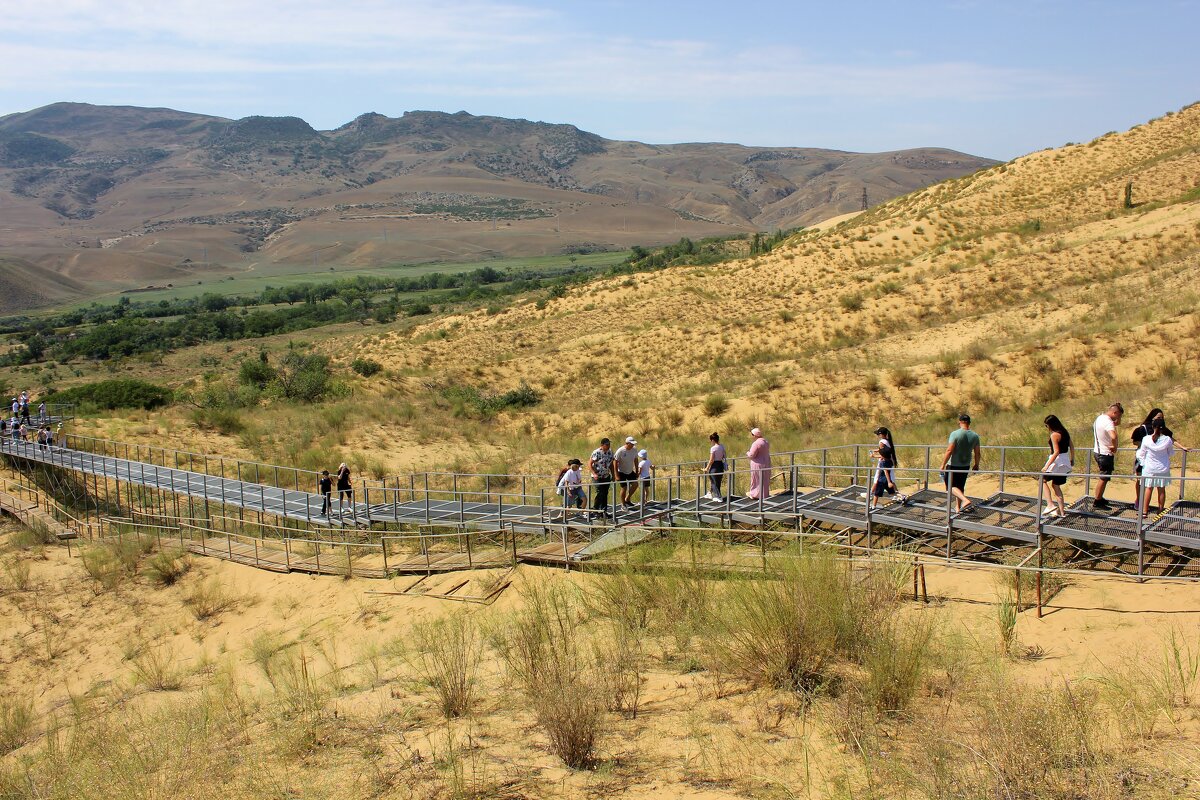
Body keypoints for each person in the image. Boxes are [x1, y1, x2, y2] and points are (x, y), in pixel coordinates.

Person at [939, 414, 981, 513]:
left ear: (959, 422)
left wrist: (942, 464)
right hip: (965, 465)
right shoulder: (975, 436)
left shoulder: (955, 434)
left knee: (950, 487)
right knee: (960, 486)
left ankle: (965, 500)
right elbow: (977, 452)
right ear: (969, 423)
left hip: (953, 465)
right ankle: (958, 507)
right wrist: (976, 464)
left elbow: (949, 450)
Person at [1136, 417, 1175, 515]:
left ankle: (1144, 511)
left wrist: (1142, 462)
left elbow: (1141, 453)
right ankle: (1160, 510)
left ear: (1153, 427)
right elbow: (1171, 453)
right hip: (1162, 468)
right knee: (1161, 488)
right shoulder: (1167, 440)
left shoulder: (1146, 439)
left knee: (1148, 488)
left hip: (1149, 468)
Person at [1091, 402, 1123, 511]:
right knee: (1104, 477)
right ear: (1114, 413)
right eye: (1118, 416)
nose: (1118, 419)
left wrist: (1118, 419)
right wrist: (1114, 446)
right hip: (1105, 453)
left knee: (1104, 477)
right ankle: (1097, 500)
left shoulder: (1100, 418)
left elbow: (1116, 424)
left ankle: (1099, 498)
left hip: (1098, 451)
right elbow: (1113, 435)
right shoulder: (1108, 422)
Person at [1040, 415, 1074, 518]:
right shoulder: (1065, 433)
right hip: (1065, 461)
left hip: (1057, 461)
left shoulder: (1054, 435)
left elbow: (1056, 452)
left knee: (1042, 480)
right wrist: (1072, 459)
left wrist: (1047, 466)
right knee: (1056, 486)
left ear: (1051, 425)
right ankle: (1062, 512)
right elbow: (1071, 446)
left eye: (1047, 426)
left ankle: (1050, 504)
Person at [869, 426, 903, 509]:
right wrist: (876, 450)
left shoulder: (881, 442)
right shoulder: (888, 441)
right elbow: (883, 451)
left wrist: (873, 455)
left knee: (878, 481)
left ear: (881, 434)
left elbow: (882, 455)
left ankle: (872, 499)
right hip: (889, 463)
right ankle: (900, 496)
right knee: (890, 483)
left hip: (883, 464)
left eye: (878, 434)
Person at [588, 438, 615, 518]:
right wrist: (594, 473)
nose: (608, 446)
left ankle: (603, 511)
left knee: (605, 493)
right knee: (600, 492)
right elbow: (590, 463)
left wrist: (613, 475)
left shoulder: (610, 452)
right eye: (606, 444)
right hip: (597, 476)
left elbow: (611, 464)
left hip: (606, 475)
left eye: (609, 444)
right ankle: (596, 509)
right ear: (602, 445)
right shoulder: (597, 452)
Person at [747, 427, 771, 500]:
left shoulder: (756, 443)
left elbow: (752, 455)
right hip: (766, 462)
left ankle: (755, 494)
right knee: (764, 479)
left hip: (758, 464)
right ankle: (764, 494)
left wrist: (747, 453)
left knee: (756, 479)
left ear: (754, 435)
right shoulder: (765, 442)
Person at [614, 436, 639, 508]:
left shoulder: (634, 449)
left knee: (635, 485)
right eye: (631, 444)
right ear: (627, 443)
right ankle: (623, 504)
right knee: (624, 488)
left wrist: (637, 471)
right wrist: (616, 475)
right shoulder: (620, 451)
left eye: (633, 444)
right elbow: (615, 462)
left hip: (630, 471)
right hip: (621, 472)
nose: (633, 445)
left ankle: (627, 499)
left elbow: (636, 460)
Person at [703, 432, 726, 501]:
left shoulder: (713, 448)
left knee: (713, 480)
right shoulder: (722, 446)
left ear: (712, 440)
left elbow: (711, 459)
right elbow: (724, 456)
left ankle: (718, 497)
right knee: (717, 481)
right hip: (720, 464)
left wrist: (706, 468)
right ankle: (710, 493)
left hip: (715, 465)